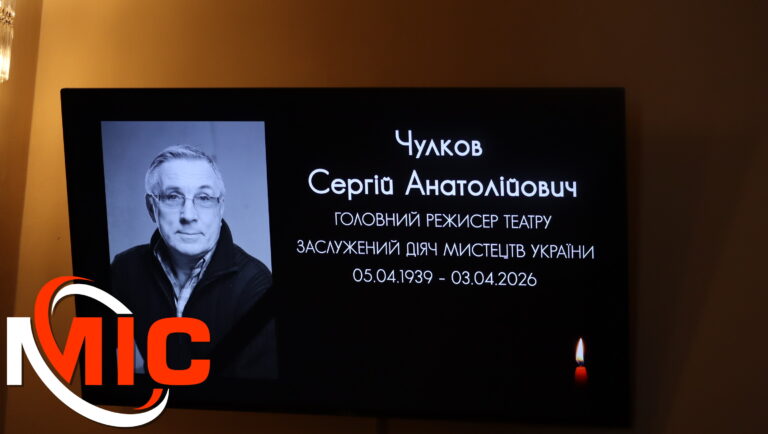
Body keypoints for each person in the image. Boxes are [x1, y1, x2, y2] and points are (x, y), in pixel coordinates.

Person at [110, 145, 277, 380]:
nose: (188, 215)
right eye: (172, 197)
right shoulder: (126, 268)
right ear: (151, 207)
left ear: (220, 208)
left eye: (204, 198)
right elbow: (93, 358)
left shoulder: (255, 283)